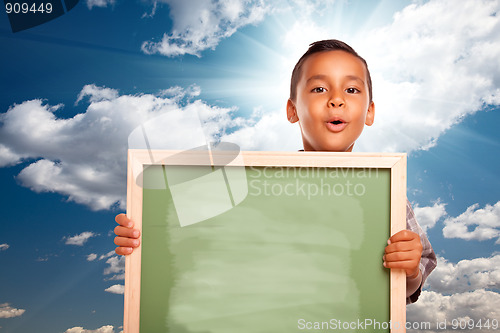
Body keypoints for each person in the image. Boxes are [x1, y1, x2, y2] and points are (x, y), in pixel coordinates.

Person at [114, 39, 436, 304]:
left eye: (351, 91)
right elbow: (176, 228)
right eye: (319, 89)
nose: (336, 100)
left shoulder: (388, 195)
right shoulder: (252, 183)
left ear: (370, 112)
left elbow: (407, 289)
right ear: (292, 110)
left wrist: (410, 271)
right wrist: (142, 235)